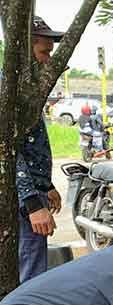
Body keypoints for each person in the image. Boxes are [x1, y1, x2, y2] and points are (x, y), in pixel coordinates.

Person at [15, 16, 65, 283]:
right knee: (30, 276)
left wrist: (46, 185)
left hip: (33, 192)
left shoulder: (27, 91)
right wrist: (33, 203)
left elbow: (29, 145)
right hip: (23, 201)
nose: (48, 60)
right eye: (44, 52)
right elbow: (7, 152)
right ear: (24, 50)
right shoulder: (9, 91)